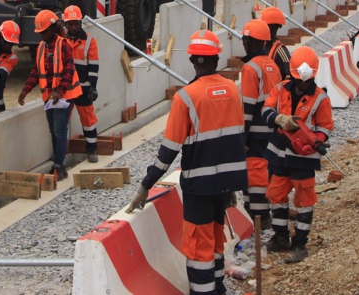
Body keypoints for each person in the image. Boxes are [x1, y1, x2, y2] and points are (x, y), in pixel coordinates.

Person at [126, 30, 246, 295]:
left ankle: (204, 292)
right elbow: (237, 138)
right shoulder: (232, 90)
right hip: (226, 183)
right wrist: (232, 185)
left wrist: (145, 185)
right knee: (215, 237)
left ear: (192, 59)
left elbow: (168, 151)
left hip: (200, 186)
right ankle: (217, 289)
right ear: (216, 58)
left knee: (199, 245)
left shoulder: (186, 98)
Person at [262, 46, 334, 264]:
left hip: (303, 159)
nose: (303, 84)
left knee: (304, 201)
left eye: (306, 80)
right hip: (279, 154)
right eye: (299, 80)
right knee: (277, 195)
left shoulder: (320, 98)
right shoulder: (282, 88)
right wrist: (279, 119)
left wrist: (316, 141)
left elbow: (326, 126)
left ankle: (300, 244)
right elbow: (266, 110)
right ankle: (281, 237)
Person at [18, 10, 83, 180]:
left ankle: (58, 165)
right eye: (39, 32)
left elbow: (69, 70)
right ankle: (59, 164)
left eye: (44, 32)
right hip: (50, 98)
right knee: (53, 131)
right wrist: (26, 89)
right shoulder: (41, 48)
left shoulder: (64, 45)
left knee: (60, 130)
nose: (41, 35)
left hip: (65, 96)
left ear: (53, 28)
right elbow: (36, 71)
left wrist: (59, 91)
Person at [238, 19, 283, 232]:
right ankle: (264, 210)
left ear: (253, 41)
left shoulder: (250, 68)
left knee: (254, 171)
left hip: (256, 130)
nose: (243, 44)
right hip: (272, 129)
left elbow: (247, 106)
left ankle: (259, 215)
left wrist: (241, 136)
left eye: (245, 40)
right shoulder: (271, 64)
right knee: (266, 169)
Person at [63, 5, 100, 163]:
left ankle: (91, 150)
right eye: (70, 24)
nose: (73, 27)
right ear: (66, 25)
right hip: (65, 89)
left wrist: (92, 86)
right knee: (63, 120)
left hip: (83, 89)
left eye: (75, 24)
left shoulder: (90, 40)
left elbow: (93, 66)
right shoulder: (61, 40)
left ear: (80, 23)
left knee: (88, 120)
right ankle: (61, 152)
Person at [0, 20, 21, 114]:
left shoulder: (12, 58)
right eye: (7, 41)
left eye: (11, 43)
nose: (9, 46)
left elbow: (1, 74)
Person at [260, 6, 291, 80]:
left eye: (266, 26)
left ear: (275, 27)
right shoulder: (262, 47)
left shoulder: (281, 52)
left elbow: (289, 79)